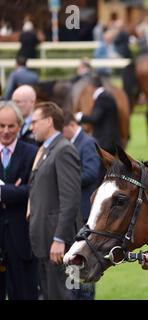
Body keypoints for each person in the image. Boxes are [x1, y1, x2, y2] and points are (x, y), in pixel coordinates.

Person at [28, 101, 82, 300]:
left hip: (57, 245)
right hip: (45, 242)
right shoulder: (47, 150)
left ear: (49, 121)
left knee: (61, 295)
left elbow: (70, 199)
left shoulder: (64, 150)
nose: (31, 126)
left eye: (34, 122)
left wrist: (59, 239)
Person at [0, 101, 39, 300]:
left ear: (20, 125)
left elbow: (35, 190)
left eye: (11, 126)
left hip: (22, 239)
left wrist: (3, 192)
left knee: (24, 293)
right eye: (1, 126)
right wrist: (14, 190)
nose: (6, 131)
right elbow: (23, 190)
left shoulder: (32, 153)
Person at [62, 111, 101, 300]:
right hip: (75, 212)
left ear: (70, 125)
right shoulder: (73, 142)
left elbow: (92, 173)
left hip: (85, 213)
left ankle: (85, 296)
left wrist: (65, 181)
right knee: (74, 261)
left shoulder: (87, 142)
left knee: (85, 261)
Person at [75, 75, 121, 155]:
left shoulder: (103, 98)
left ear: (91, 87)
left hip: (106, 142)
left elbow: (95, 118)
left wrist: (80, 116)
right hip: (108, 141)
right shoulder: (105, 96)